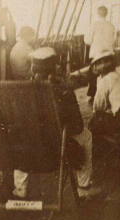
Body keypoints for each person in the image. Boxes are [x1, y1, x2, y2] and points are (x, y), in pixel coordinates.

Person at [12, 47, 103, 201]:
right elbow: (77, 126)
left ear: (33, 68)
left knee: (25, 135)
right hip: (54, 152)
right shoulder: (63, 91)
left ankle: (20, 188)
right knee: (86, 136)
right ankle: (83, 187)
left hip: (26, 152)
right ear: (54, 68)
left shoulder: (20, 91)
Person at [85, 6, 116, 101]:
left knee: (93, 75)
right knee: (110, 75)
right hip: (109, 54)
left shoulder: (93, 25)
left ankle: (93, 95)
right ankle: (110, 94)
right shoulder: (111, 25)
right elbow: (113, 40)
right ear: (106, 14)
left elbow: (88, 40)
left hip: (96, 54)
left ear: (97, 13)